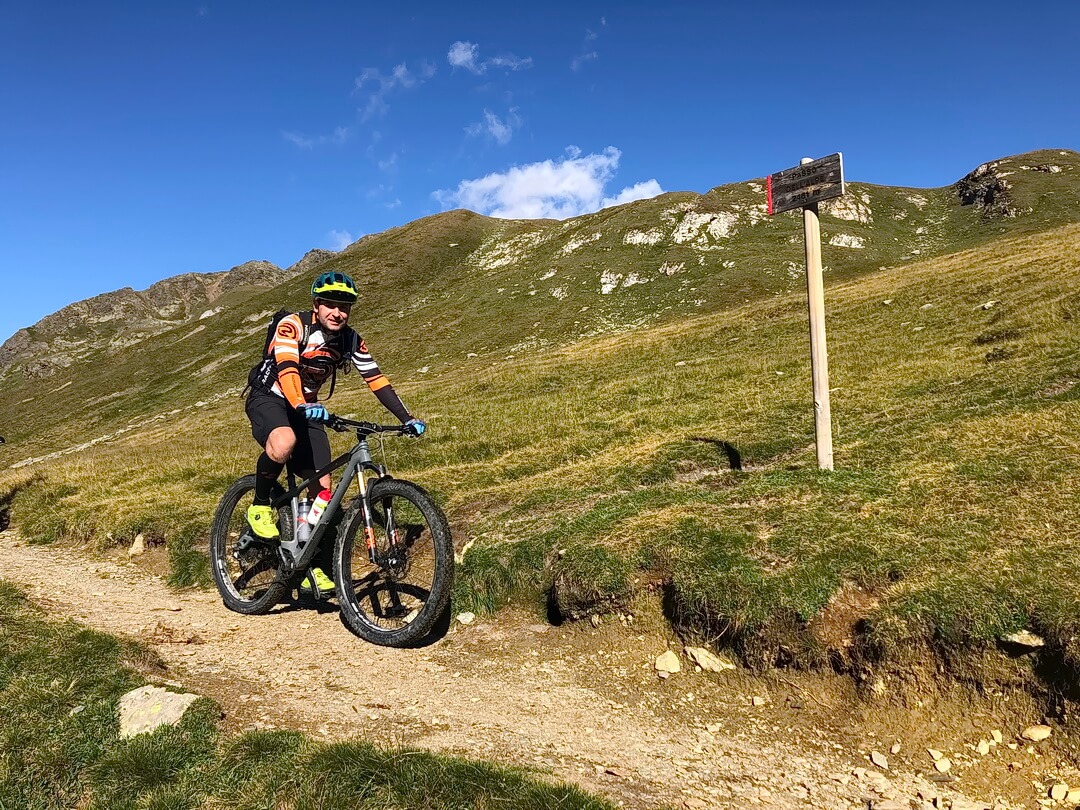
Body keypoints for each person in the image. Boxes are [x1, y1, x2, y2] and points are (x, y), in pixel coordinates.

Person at [244, 270, 425, 593]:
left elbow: (376, 379)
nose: (337, 312)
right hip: (269, 397)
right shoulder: (293, 326)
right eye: (330, 305)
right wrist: (299, 403)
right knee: (283, 442)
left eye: (344, 307)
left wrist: (406, 417)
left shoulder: (351, 339)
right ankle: (259, 504)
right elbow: (286, 367)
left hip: (306, 406)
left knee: (323, 491)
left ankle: (308, 563)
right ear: (316, 305)